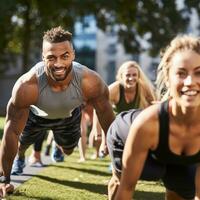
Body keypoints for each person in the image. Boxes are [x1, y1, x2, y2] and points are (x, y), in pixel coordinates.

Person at [0, 26, 115, 198]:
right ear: (43, 58)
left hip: (68, 117)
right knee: (20, 145)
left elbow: (109, 123)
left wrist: (118, 167)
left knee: (68, 151)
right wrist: (3, 180)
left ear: (73, 55)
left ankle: (58, 145)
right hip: (35, 116)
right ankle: (21, 157)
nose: (59, 63)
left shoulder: (90, 81)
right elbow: (11, 131)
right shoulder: (27, 86)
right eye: (51, 58)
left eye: (65, 56)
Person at [114, 35, 200, 200]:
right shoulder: (147, 124)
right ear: (167, 78)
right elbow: (126, 191)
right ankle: (114, 179)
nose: (190, 81)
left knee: (183, 188)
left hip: (172, 150)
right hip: (124, 134)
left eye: (199, 73)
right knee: (150, 171)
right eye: (181, 73)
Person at [105, 61, 156, 199]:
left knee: (130, 175)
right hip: (116, 130)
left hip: (135, 131)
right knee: (118, 177)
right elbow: (101, 111)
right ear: (121, 76)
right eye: (128, 75)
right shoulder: (114, 89)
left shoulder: (144, 88)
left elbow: (155, 108)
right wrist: (99, 134)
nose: (131, 78)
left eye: (135, 75)